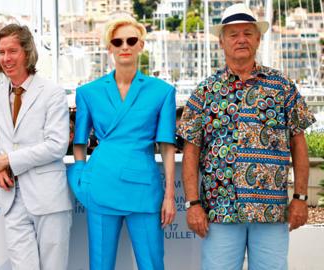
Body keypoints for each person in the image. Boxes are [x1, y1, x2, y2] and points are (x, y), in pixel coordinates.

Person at [177, 4, 316, 270]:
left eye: (247, 33)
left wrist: (299, 198)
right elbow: (191, 151)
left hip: (271, 210)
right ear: (221, 42)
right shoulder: (205, 91)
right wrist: (192, 203)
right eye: (233, 34)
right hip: (220, 210)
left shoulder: (282, 86)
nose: (241, 39)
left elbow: (298, 143)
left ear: (258, 39)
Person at [68, 17, 177, 270]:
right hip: (100, 185)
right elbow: (79, 142)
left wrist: (170, 195)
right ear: (110, 47)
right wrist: (81, 177)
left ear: (141, 45)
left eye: (131, 40)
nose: (124, 46)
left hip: (144, 187)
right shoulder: (88, 92)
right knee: (100, 264)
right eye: (118, 41)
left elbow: (167, 146)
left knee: (151, 264)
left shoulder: (162, 91)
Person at [0, 24, 72, 270]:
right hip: (11, 197)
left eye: (12, 51)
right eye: (1, 52)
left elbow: (56, 145)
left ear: (27, 52)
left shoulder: (52, 93)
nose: (6, 58)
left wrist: (8, 160)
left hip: (48, 197)